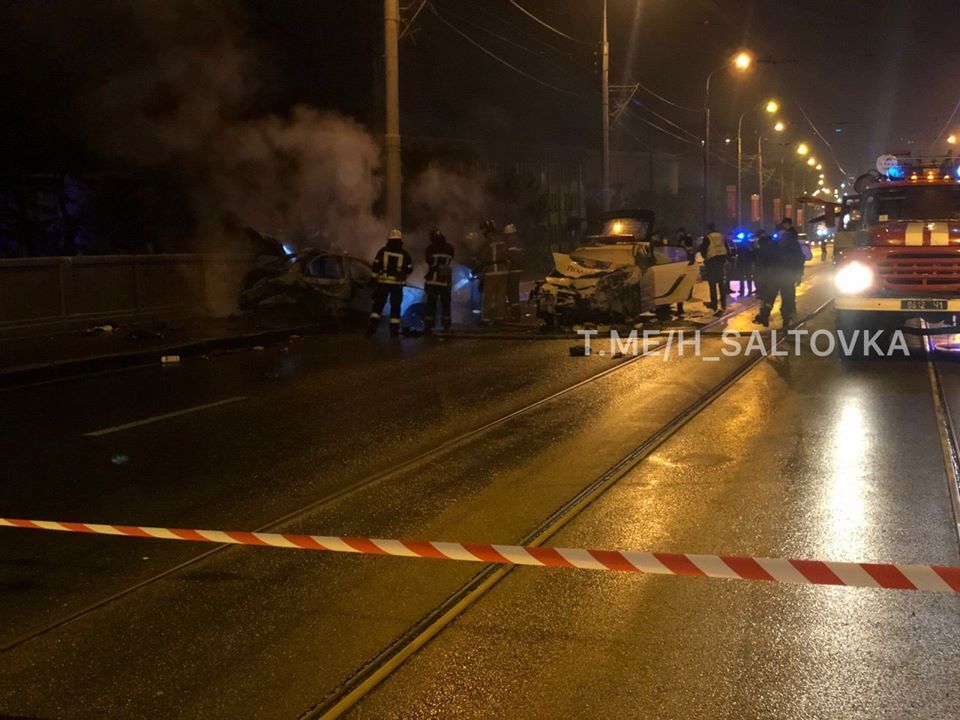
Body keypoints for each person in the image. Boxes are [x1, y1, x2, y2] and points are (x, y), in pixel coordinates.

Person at [754, 218, 805, 326]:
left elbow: (765, 259)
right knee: (788, 297)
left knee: (770, 295)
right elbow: (800, 258)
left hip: (774, 275)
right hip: (788, 276)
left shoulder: (772, 242)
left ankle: (765, 315)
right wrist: (799, 274)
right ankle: (786, 321)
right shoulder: (793, 242)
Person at [367, 229, 413, 337]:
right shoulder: (405, 254)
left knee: (378, 306)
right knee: (395, 307)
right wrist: (401, 272)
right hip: (397, 285)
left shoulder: (382, 251)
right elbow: (409, 269)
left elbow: (375, 267)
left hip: (383, 283)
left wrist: (373, 281)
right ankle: (394, 331)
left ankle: (372, 328)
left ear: (389, 240)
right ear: (400, 240)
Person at [423, 228, 455, 333]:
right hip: (445, 280)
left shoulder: (430, 248)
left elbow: (430, 262)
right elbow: (450, 260)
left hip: (433, 280)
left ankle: (429, 325)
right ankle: (446, 324)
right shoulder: (449, 248)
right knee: (446, 303)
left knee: (431, 303)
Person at [479, 220, 509, 325]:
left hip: (492, 271)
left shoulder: (487, 241)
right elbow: (507, 254)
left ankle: (485, 319)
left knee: (487, 296)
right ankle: (500, 318)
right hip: (503, 271)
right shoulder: (502, 238)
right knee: (500, 296)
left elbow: (482, 257)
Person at [699, 222, 728, 316]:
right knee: (720, 282)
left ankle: (714, 303)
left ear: (708, 229)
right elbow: (726, 247)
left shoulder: (708, 237)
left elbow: (703, 249)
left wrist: (705, 258)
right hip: (721, 260)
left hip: (712, 260)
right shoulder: (721, 236)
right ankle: (723, 302)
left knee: (712, 283)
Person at [503, 223, 524, 320]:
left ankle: (513, 314)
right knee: (514, 292)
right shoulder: (518, 239)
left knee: (511, 292)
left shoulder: (510, 240)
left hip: (511, 270)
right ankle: (516, 313)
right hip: (517, 269)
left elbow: (510, 255)